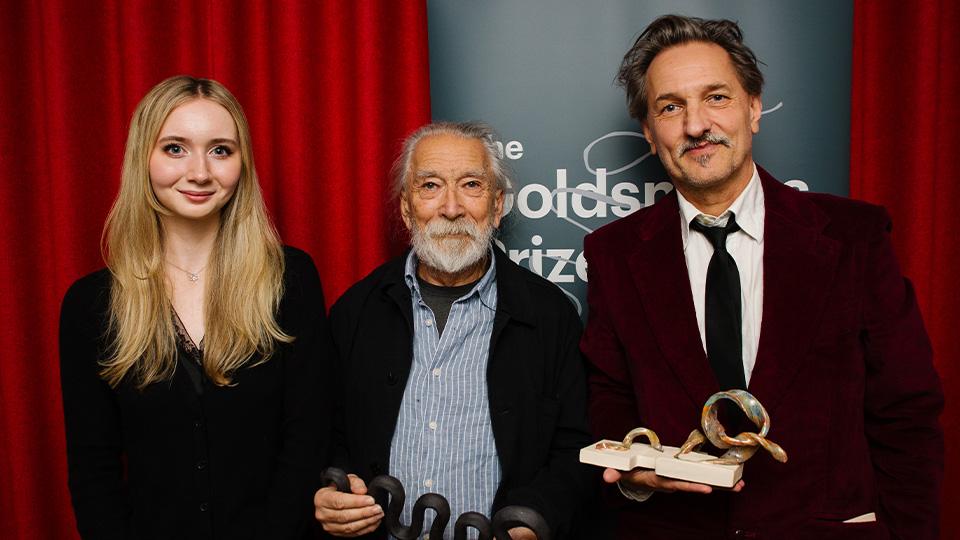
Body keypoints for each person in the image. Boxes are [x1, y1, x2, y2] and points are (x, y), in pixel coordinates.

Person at [580, 15, 944, 539]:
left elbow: (907, 413)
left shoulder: (854, 236)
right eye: (670, 107)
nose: (696, 124)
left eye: (717, 98)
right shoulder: (613, 254)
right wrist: (634, 474)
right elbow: (609, 395)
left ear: (754, 108)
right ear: (649, 132)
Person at [59, 75, 329, 539]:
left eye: (221, 150)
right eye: (175, 148)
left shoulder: (291, 278)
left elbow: (307, 442)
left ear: (242, 163)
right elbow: (94, 472)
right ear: (143, 157)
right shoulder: (90, 305)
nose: (200, 172)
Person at [312, 121, 593, 539]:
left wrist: (536, 519)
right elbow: (323, 434)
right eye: (430, 186)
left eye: (471, 185)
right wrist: (333, 493)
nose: (451, 208)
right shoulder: (356, 310)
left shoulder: (550, 315)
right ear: (407, 207)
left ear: (497, 206)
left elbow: (576, 449)